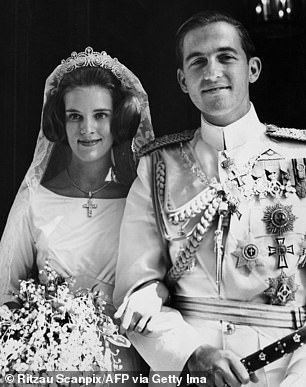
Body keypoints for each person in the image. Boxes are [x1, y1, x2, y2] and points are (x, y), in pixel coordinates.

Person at [114, 11, 306, 387]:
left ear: (252, 69)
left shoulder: (300, 158)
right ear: (183, 81)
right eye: (197, 61)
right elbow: (136, 290)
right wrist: (189, 354)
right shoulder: (157, 167)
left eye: (225, 57)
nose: (212, 71)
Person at [0, 47, 158, 373]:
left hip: (125, 357)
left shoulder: (140, 200)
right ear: (60, 121)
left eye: (100, 115)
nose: (87, 129)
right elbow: (5, 291)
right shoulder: (36, 198)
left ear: (120, 120)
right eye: (75, 116)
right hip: (49, 359)